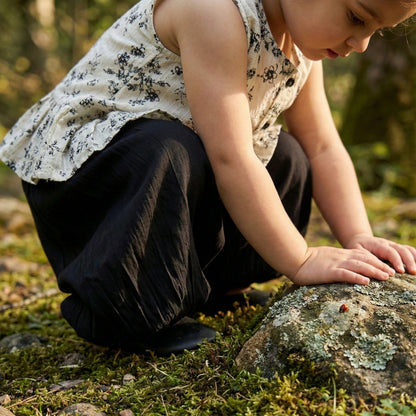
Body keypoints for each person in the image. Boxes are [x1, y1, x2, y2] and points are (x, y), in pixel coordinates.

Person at [1, 0, 416, 354]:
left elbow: (324, 147)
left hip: (179, 163)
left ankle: (216, 288)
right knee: (171, 148)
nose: (359, 45)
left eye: (377, 31)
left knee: (286, 155)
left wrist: (359, 237)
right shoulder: (215, 11)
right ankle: (126, 310)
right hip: (89, 179)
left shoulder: (301, 45)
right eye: (357, 17)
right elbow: (230, 157)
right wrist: (301, 258)